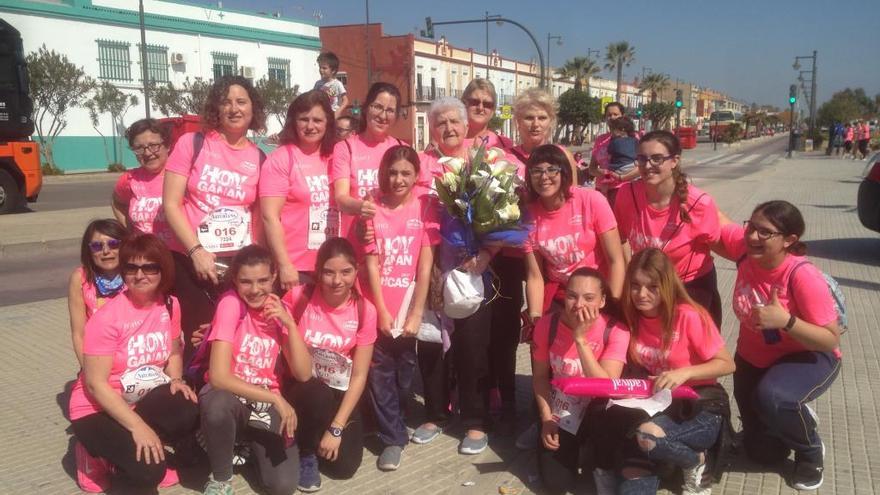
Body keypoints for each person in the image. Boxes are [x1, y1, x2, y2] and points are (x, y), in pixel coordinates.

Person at [588, 248, 735, 495]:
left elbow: (728, 364)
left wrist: (684, 373)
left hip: (700, 406)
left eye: (652, 287)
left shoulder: (689, 315)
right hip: (657, 406)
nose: (641, 294)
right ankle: (665, 463)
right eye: (635, 285)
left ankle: (695, 461)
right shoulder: (631, 317)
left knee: (648, 438)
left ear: (666, 285)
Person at [718, 200, 840, 491]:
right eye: (751, 227)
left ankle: (810, 451)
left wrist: (786, 321)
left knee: (774, 397)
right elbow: (716, 219)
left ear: (789, 240)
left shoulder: (801, 275)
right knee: (762, 453)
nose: (752, 237)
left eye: (765, 232)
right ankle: (792, 414)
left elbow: (830, 338)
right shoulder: (746, 253)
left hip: (808, 357)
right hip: (752, 359)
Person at [68, 234, 199, 493]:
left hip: (138, 398)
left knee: (186, 407)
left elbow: (173, 351)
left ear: (163, 270)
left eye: (149, 267)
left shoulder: (170, 305)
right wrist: (138, 427)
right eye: (131, 267)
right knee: (150, 472)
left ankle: (130, 450)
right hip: (96, 408)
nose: (140, 275)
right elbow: (95, 385)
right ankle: (94, 454)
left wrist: (176, 380)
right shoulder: (107, 318)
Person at [163, 75, 267, 355]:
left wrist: (254, 264)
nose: (234, 109)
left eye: (242, 102)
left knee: (233, 338)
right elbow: (170, 204)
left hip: (236, 266)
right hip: (192, 261)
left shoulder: (259, 158)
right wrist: (196, 251)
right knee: (198, 341)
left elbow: (258, 217)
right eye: (226, 102)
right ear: (216, 109)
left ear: (252, 109)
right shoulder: (191, 143)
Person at [199, 245, 313, 495]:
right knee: (218, 405)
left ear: (274, 277)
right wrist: (275, 398)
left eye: (263, 280)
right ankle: (221, 477)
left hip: (263, 405)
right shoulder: (230, 304)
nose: (255, 289)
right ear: (235, 281)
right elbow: (218, 377)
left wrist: (290, 325)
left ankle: (245, 445)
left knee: (282, 487)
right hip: (232, 398)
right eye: (246, 282)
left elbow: (304, 374)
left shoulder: (279, 308)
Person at [355, 145, 440, 471]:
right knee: (380, 373)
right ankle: (393, 439)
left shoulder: (425, 205)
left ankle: (393, 419)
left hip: (409, 305)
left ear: (417, 175)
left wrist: (417, 311)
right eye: (392, 172)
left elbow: (425, 262)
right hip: (378, 304)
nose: (398, 179)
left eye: (405, 173)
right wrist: (380, 309)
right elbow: (372, 264)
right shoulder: (371, 208)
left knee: (405, 372)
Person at [282, 238, 377, 492]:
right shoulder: (298, 297)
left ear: (356, 271)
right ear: (317, 271)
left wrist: (336, 429)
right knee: (316, 392)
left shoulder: (365, 310)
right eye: (328, 272)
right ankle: (306, 452)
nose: (337, 281)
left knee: (344, 468)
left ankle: (317, 434)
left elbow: (359, 375)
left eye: (346, 272)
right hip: (301, 388)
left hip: (339, 391)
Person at [531, 267, 630, 494]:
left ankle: (591, 452)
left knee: (599, 466)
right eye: (572, 296)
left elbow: (606, 387)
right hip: (561, 409)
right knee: (556, 484)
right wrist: (547, 419)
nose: (579, 305)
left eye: (589, 298)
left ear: (603, 301)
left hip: (599, 413)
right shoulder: (547, 325)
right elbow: (539, 377)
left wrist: (580, 338)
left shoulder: (616, 330)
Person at [614, 130, 724, 327]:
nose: (648, 166)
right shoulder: (626, 194)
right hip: (647, 286)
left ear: (674, 161)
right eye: (642, 158)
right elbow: (620, 238)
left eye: (657, 159)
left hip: (689, 288)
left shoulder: (699, 203)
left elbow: (715, 243)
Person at [523, 144, 626, 313]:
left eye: (551, 170)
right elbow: (535, 277)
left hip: (598, 292)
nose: (544, 177)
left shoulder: (591, 200)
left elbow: (616, 261)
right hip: (562, 295)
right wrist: (535, 319)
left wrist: (611, 308)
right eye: (536, 171)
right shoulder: (528, 217)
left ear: (564, 173)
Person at [261, 90, 337, 291]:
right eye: (304, 119)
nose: (310, 126)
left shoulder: (337, 156)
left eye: (317, 120)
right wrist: (285, 264)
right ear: (294, 122)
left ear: (328, 122)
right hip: (297, 268)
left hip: (334, 267)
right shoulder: (281, 158)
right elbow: (270, 216)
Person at [331, 82, 419, 244]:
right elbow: (341, 198)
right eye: (377, 107)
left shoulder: (403, 149)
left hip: (393, 246)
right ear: (366, 108)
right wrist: (362, 207)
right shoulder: (345, 148)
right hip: (354, 244)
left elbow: (411, 202)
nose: (383, 116)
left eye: (390, 111)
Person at [68, 219, 128, 367]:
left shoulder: (137, 274)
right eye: (97, 246)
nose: (106, 251)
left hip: (134, 359)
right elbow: (78, 334)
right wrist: (88, 372)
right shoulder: (80, 278)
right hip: (98, 361)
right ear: (88, 251)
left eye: (114, 244)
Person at [112, 119, 173, 243]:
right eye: (139, 148)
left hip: (179, 258)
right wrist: (129, 231)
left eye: (154, 146)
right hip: (144, 258)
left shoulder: (182, 176)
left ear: (167, 146)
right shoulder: (129, 179)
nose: (147, 153)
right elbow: (116, 202)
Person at [588, 101, 628, 199]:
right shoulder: (600, 140)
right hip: (602, 191)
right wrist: (604, 173)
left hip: (623, 189)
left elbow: (639, 167)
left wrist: (620, 176)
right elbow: (592, 168)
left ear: (623, 116)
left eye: (616, 114)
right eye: (609, 115)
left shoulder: (632, 138)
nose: (612, 117)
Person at [461, 78, 513, 150]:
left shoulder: (505, 144)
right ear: (464, 104)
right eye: (475, 102)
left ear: (493, 109)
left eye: (487, 104)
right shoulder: (449, 143)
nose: (480, 108)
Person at [605, 116, 641, 205]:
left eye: (613, 130)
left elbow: (609, 152)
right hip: (632, 167)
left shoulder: (614, 141)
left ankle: (607, 180)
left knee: (608, 167)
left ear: (621, 129)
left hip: (619, 168)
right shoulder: (635, 140)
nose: (611, 132)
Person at [314, 52, 349, 119]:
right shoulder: (318, 84)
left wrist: (338, 111)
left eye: (324, 68)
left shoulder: (337, 84)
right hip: (321, 113)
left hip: (332, 113)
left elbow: (345, 100)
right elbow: (314, 98)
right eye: (320, 67)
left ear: (333, 70)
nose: (321, 70)